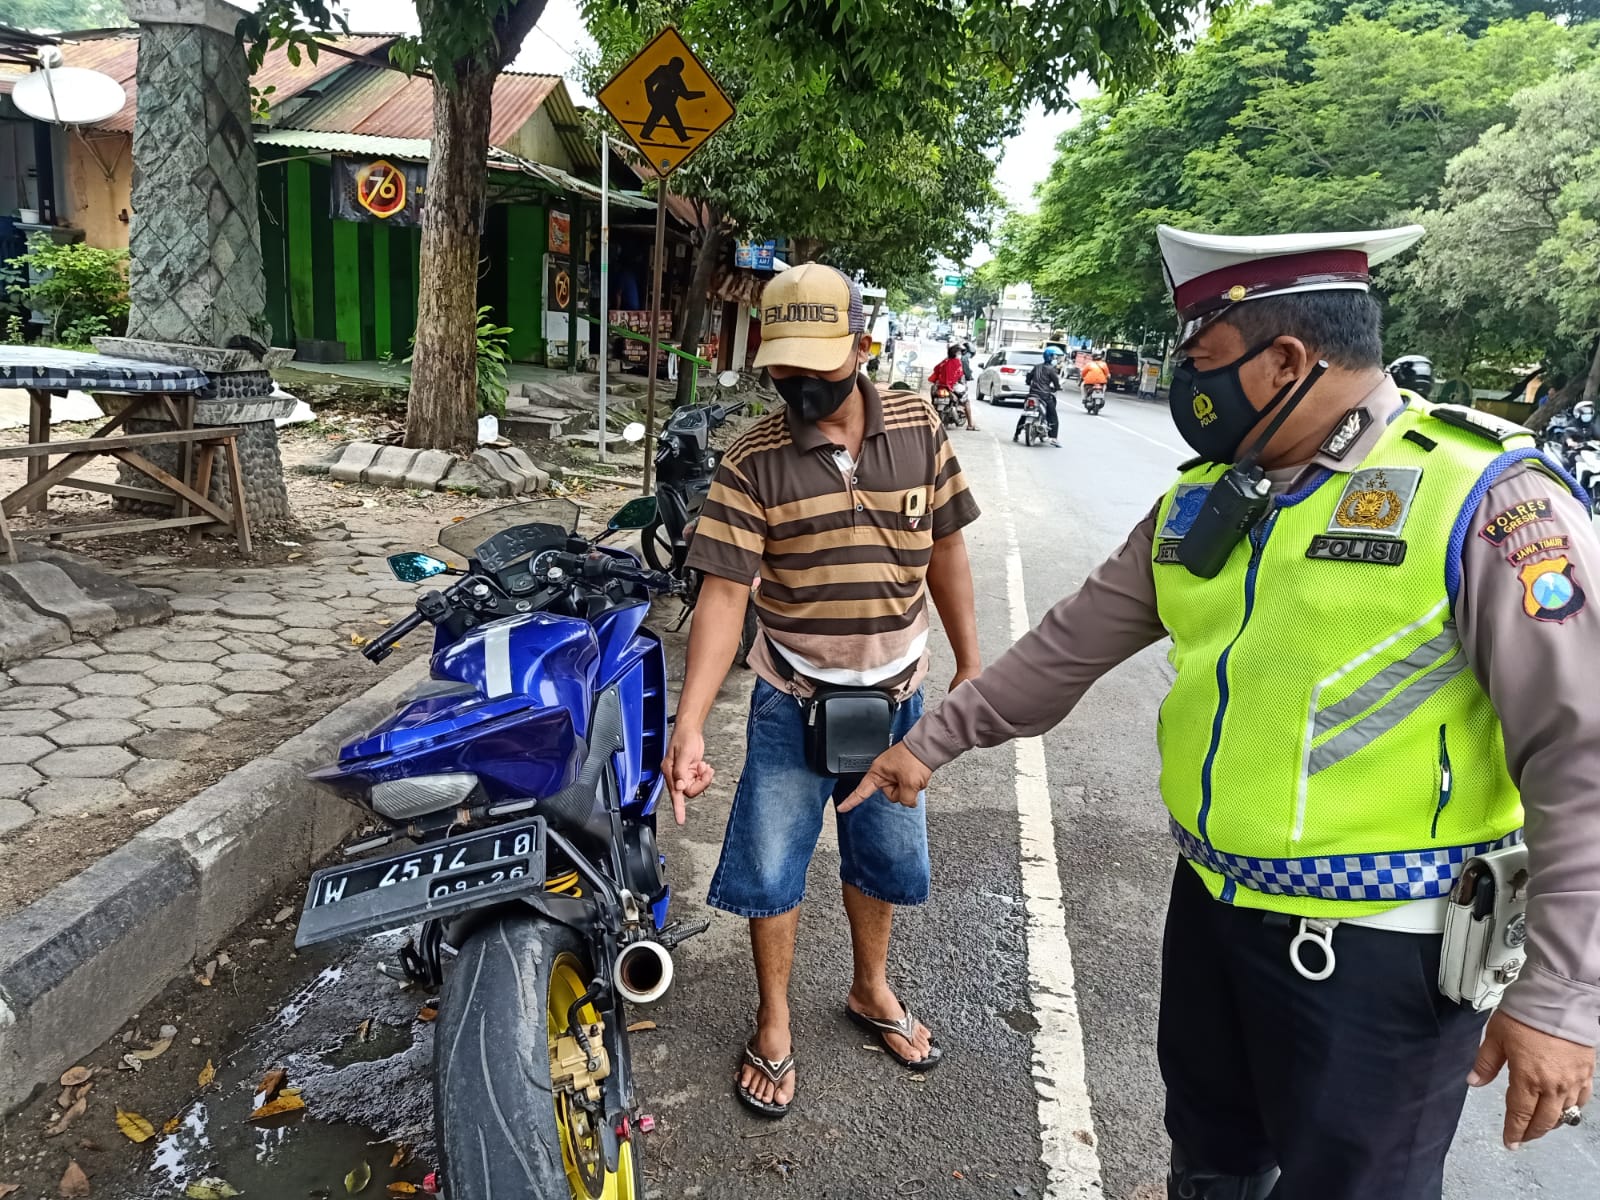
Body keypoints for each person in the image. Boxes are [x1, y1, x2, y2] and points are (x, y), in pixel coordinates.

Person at [849, 224, 1600, 1199]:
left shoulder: (1484, 499)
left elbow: (1576, 753)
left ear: (1284, 360)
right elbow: (1070, 643)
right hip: (1212, 912)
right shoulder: (1207, 499)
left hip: (1385, 951)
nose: (1182, 386)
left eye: (1200, 362)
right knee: (1208, 1165)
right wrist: (927, 746)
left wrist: (1562, 994)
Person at [661, 263, 982, 1120]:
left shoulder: (919, 427)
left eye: (820, 370)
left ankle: (870, 990)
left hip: (899, 702)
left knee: (881, 857)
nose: (802, 388)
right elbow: (725, 595)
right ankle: (773, 1022)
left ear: (860, 346)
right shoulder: (751, 460)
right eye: (785, 371)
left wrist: (972, 663)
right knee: (770, 870)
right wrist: (688, 726)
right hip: (788, 698)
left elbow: (948, 549)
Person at [1015, 345, 1063, 446]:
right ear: (1050, 357)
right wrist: (1058, 388)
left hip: (1032, 394)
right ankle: (1053, 438)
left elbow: (1028, 378)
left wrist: (1029, 382)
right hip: (1044, 395)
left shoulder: (1036, 367)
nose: (1055, 359)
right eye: (1054, 357)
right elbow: (1056, 382)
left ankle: (1016, 434)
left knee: (1025, 413)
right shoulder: (1051, 369)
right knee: (1053, 416)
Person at [928, 345, 978, 430]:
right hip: (952, 386)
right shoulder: (957, 362)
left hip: (940, 385)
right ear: (956, 353)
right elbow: (960, 375)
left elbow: (936, 369)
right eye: (959, 353)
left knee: (933, 396)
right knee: (966, 401)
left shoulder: (944, 361)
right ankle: (970, 425)